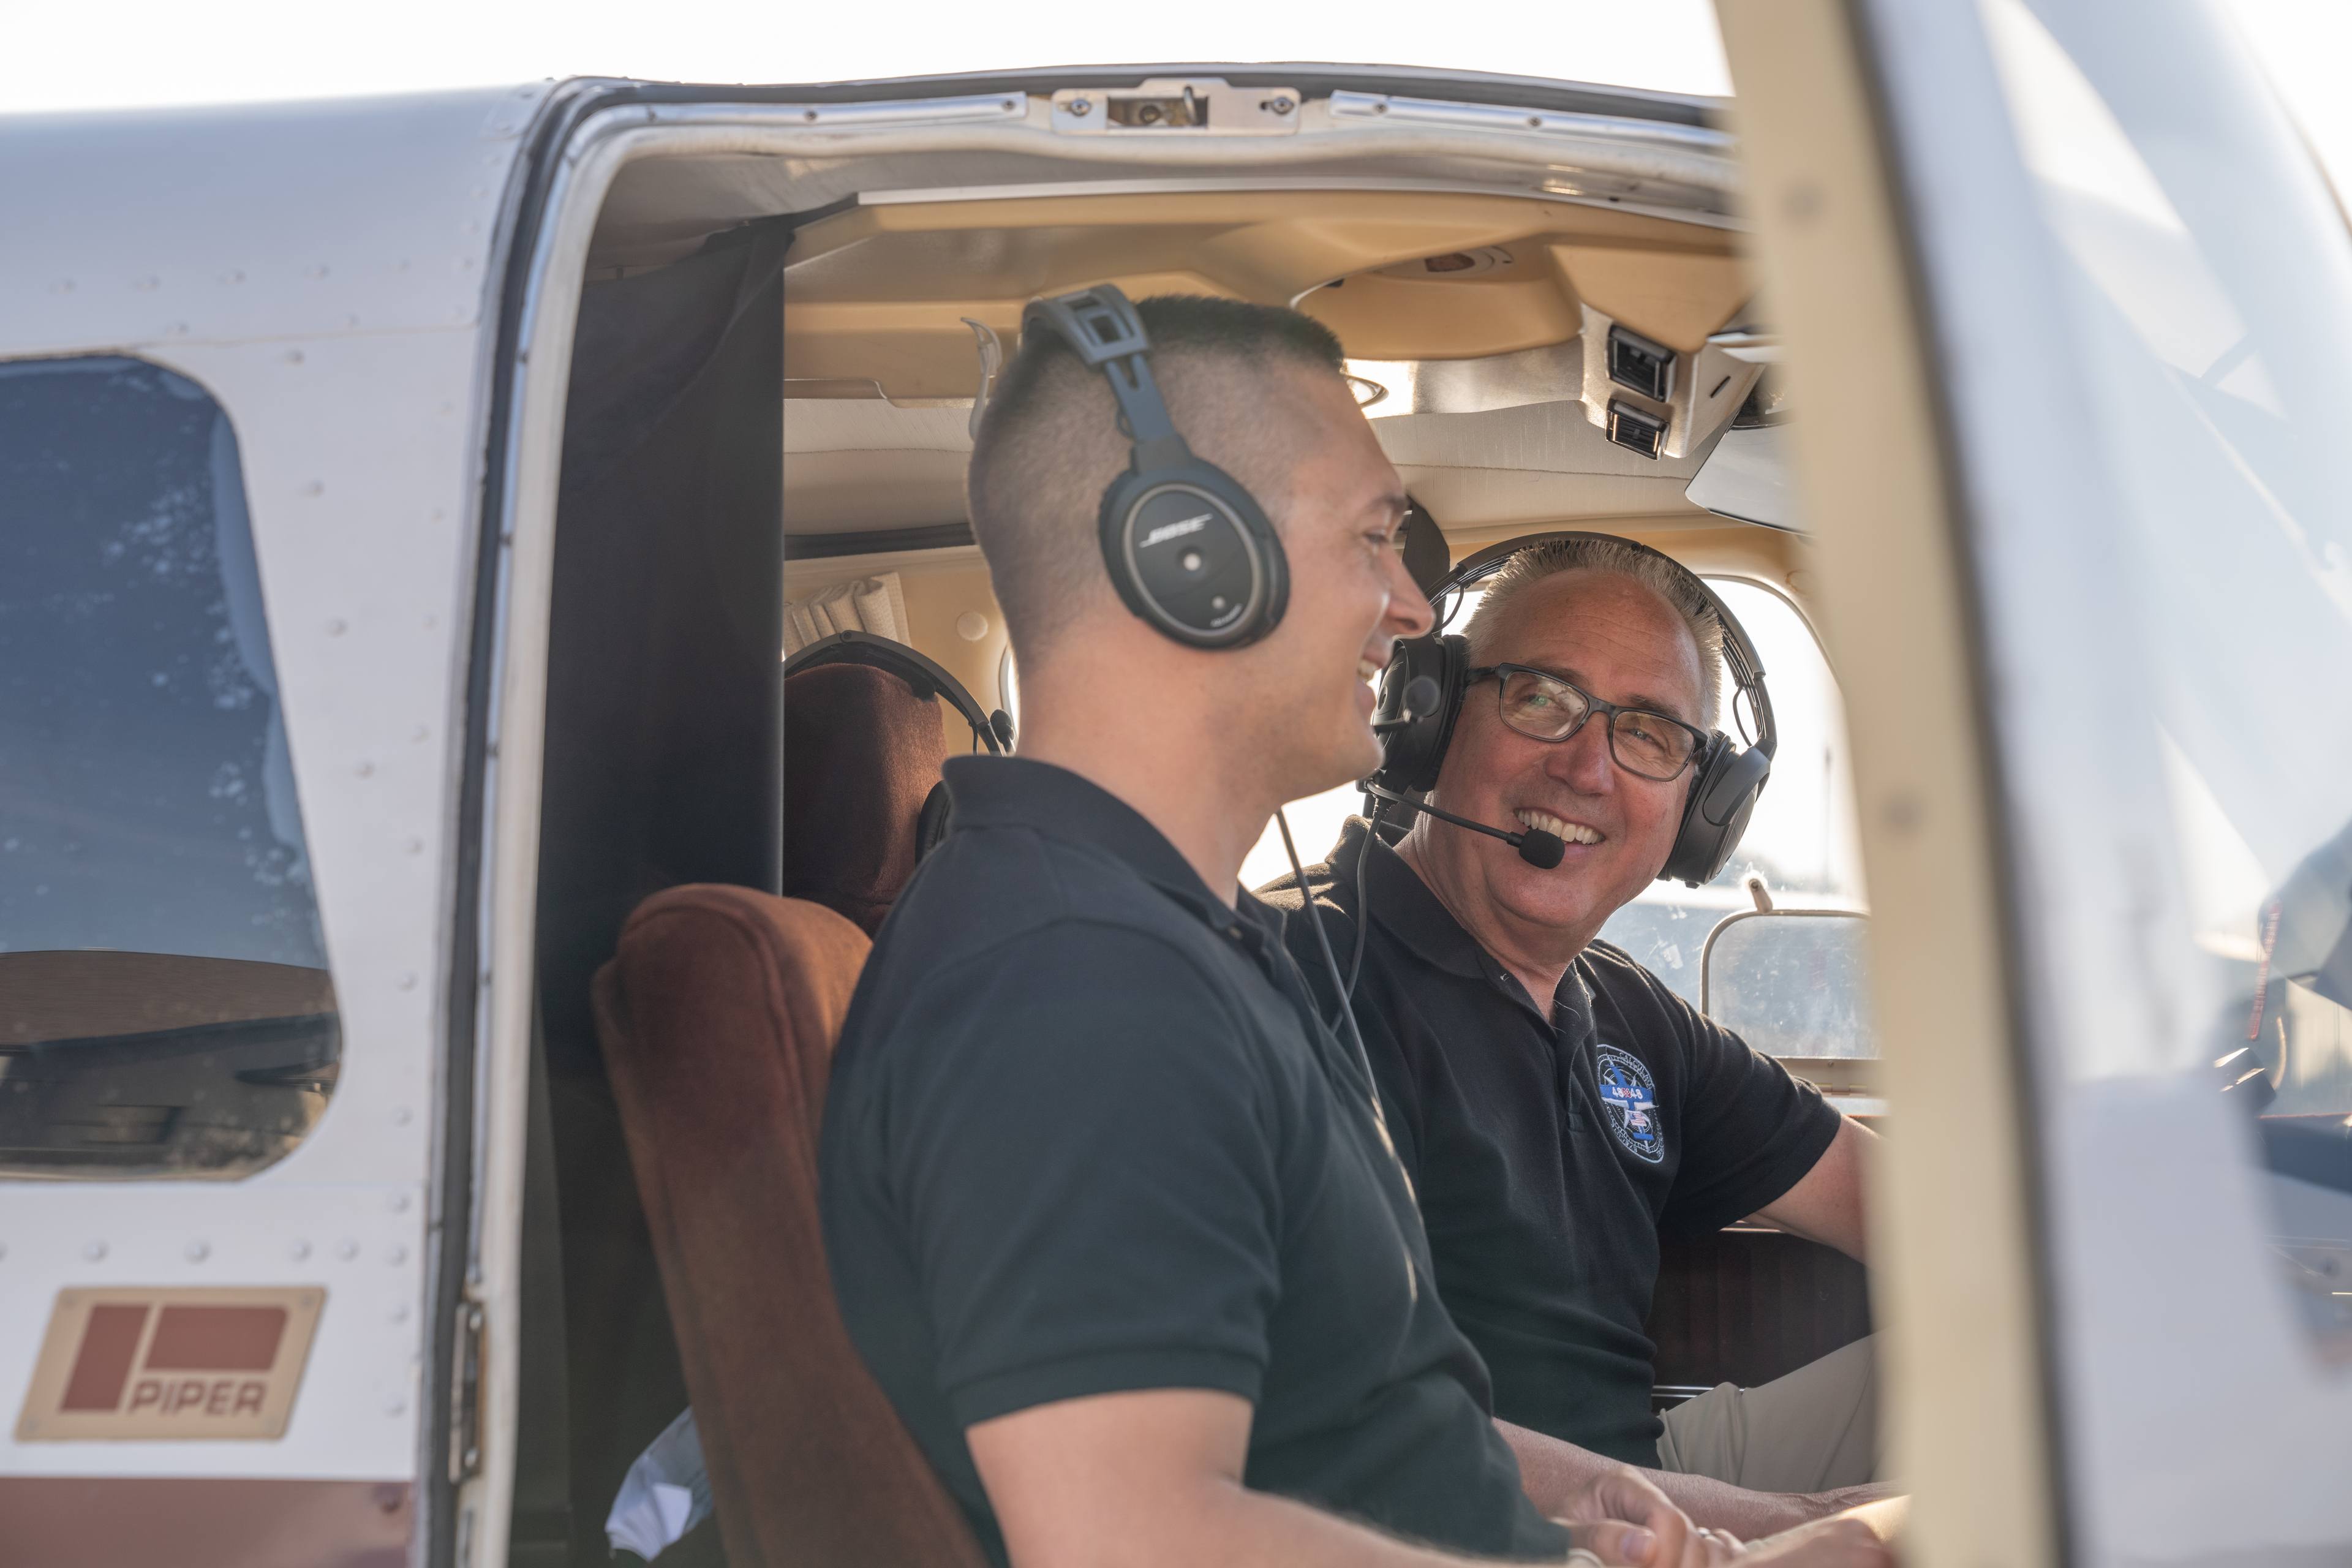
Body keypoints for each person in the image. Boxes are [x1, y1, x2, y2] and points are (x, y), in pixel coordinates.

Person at [818, 288, 1888, 1568]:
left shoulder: (1193, 949)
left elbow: (1382, 1414)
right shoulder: (1074, 986)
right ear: (1191, 560)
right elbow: (1135, 1537)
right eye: (1374, 539)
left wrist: (1696, 1516)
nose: (1410, 609)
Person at [1260, 537, 1885, 1539]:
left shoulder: (1629, 1012)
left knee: (2042, 1361)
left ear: (1700, 809)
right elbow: (1340, 1416)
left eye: (1647, 734)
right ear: (1432, 715)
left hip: (1643, 1471)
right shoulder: (1294, 971)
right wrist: (1802, 1525)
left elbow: (1896, 1207)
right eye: (1541, 699)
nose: (1587, 767)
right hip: (1443, 1521)